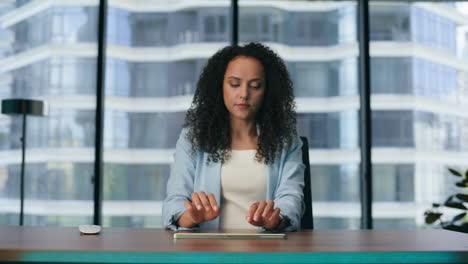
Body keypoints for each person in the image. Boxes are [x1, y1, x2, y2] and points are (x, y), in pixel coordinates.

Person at [162, 42, 305, 231]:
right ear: (219, 86)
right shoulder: (192, 139)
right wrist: (190, 217)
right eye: (234, 84)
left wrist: (276, 219)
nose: (244, 94)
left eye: (255, 86)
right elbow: (175, 200)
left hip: (267, 253)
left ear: (268, 91)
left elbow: (291, 197)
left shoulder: (285, 142)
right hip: (208, 255)